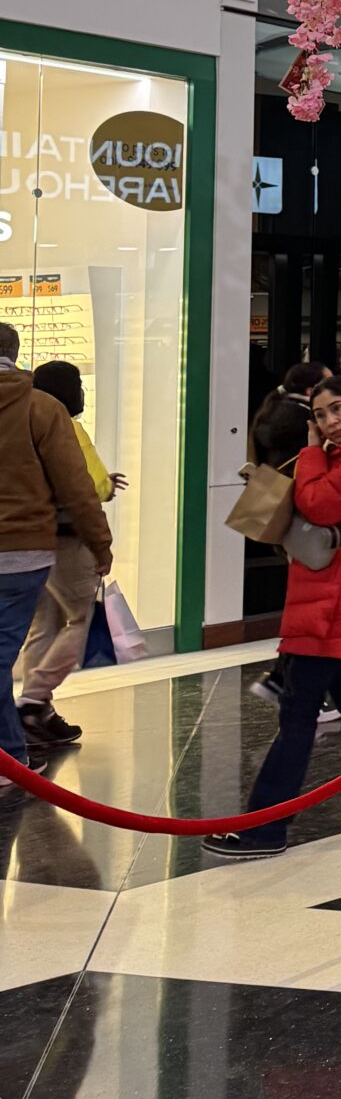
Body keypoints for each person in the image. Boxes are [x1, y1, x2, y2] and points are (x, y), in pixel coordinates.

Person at [206, 373, 341, 856]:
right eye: (320, 415)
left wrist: (310, 452)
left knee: (298, 711)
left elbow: (321, 505)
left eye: (338, 409)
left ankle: (264, 828)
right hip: (334, 601)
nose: (330, 421)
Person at [0, 322, 112, 782]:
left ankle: (30, 717)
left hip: (32, 551)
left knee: (27, 637)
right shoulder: (43, 410)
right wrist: (101, 543)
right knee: (18, 645)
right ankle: (15, 745)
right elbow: (79, 487)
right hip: (30, 550)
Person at [245, 361, 336, 722]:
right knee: (311, 613)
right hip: (304, 526)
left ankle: (285, 681)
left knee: (306, 609)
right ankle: (291, 685)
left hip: (284, 524)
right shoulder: (304, 424)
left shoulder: (272, 412)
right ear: (312, 391)